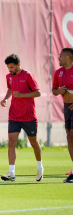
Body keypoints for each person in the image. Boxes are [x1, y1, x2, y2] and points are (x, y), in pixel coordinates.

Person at [0, 54, 43, 182]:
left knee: (34, 143)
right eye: (8, 68)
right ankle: (11, 172)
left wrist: (22, 95)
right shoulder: (9, 76)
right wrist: (5, 99)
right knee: (11, 143)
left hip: (28, 115)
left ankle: (40, 168)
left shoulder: (28, 75)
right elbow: (10, 89)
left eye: (12, 67)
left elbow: (38, 92)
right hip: (14, 115)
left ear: (18, 65)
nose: (10, 70)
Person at [52, 47, 73, 183]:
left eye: (60, 56)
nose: (58, 58)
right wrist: (59, 91)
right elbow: (53, 90)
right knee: (69, 137)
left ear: (67, 57)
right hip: (67, 108)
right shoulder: (58, 72)